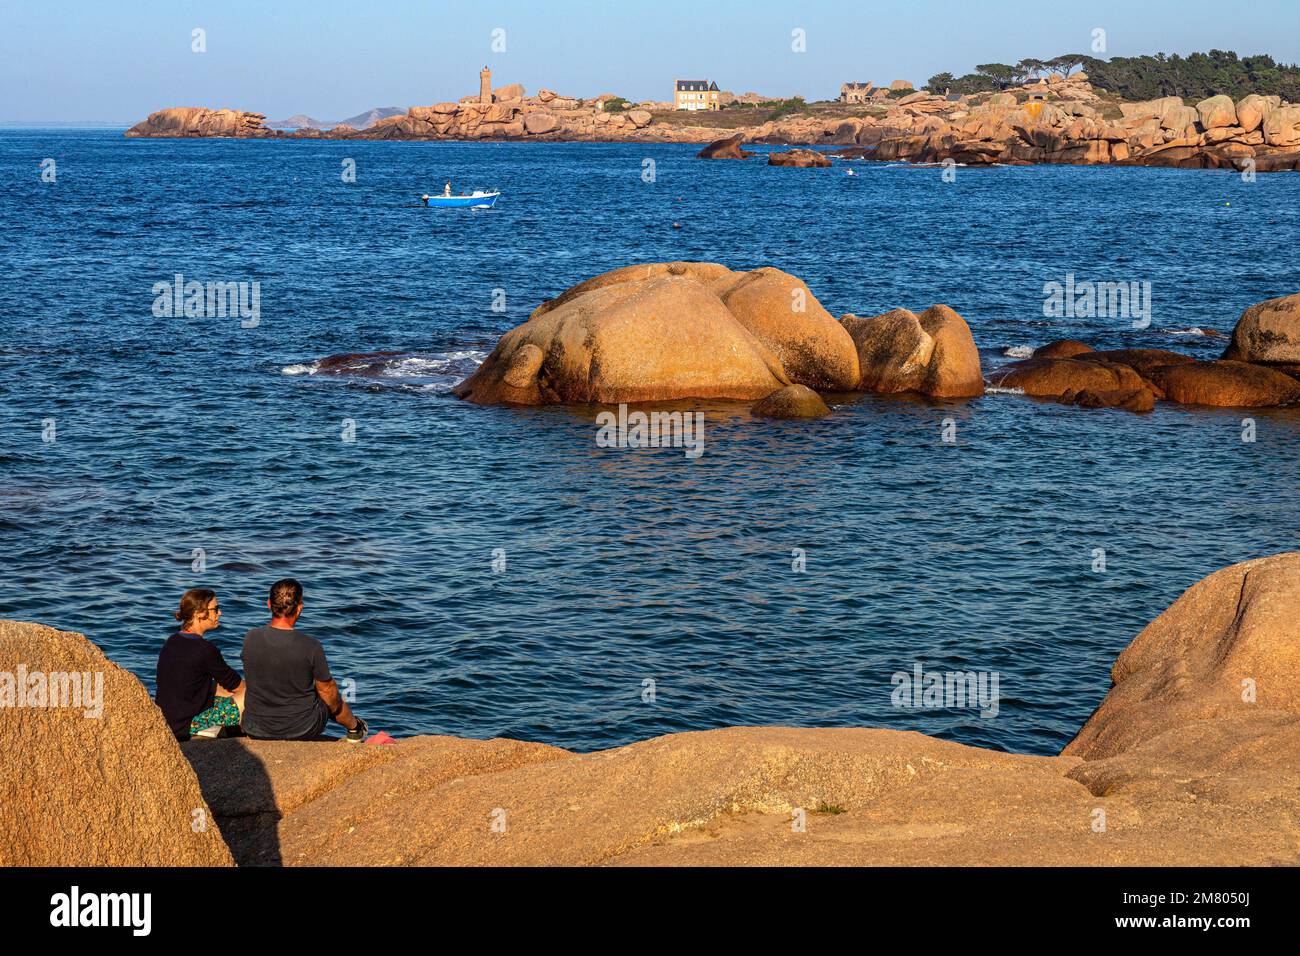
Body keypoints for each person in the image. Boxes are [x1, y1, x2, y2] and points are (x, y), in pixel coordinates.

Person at [240, 579, 367, 742]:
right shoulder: (311, 646)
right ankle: (355, 729)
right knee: (327, 691)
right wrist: (334, 710)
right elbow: (328, 693)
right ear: (299, 608)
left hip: (255, 727)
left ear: (268, 604)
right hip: (301, 729)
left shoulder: (250, 637)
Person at [155, 589, 245, 741]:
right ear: (198, 614)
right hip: (187, 725)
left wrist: (226, 692)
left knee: (220, 688)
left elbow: (192, 683)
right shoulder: (205, 649)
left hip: (168, 719)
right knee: (252, 694)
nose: (220, 613)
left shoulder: (172, 640)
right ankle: (206, 729)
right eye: (215, 609)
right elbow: (238, 686)